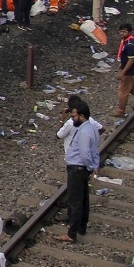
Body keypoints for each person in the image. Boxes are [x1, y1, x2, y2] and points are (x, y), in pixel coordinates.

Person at [58, 99, 100, 243]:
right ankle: (82, 227)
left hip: (77, 169)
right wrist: (94, 167)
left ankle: (72, 233)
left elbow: (85, 154)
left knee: (75, 202)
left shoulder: (83, 133)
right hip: (82, 169)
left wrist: (89, 166)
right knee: (84, 199)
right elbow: (94, 151)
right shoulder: (92, 128)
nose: (72, 118)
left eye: (74, 116)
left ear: (82, 116)